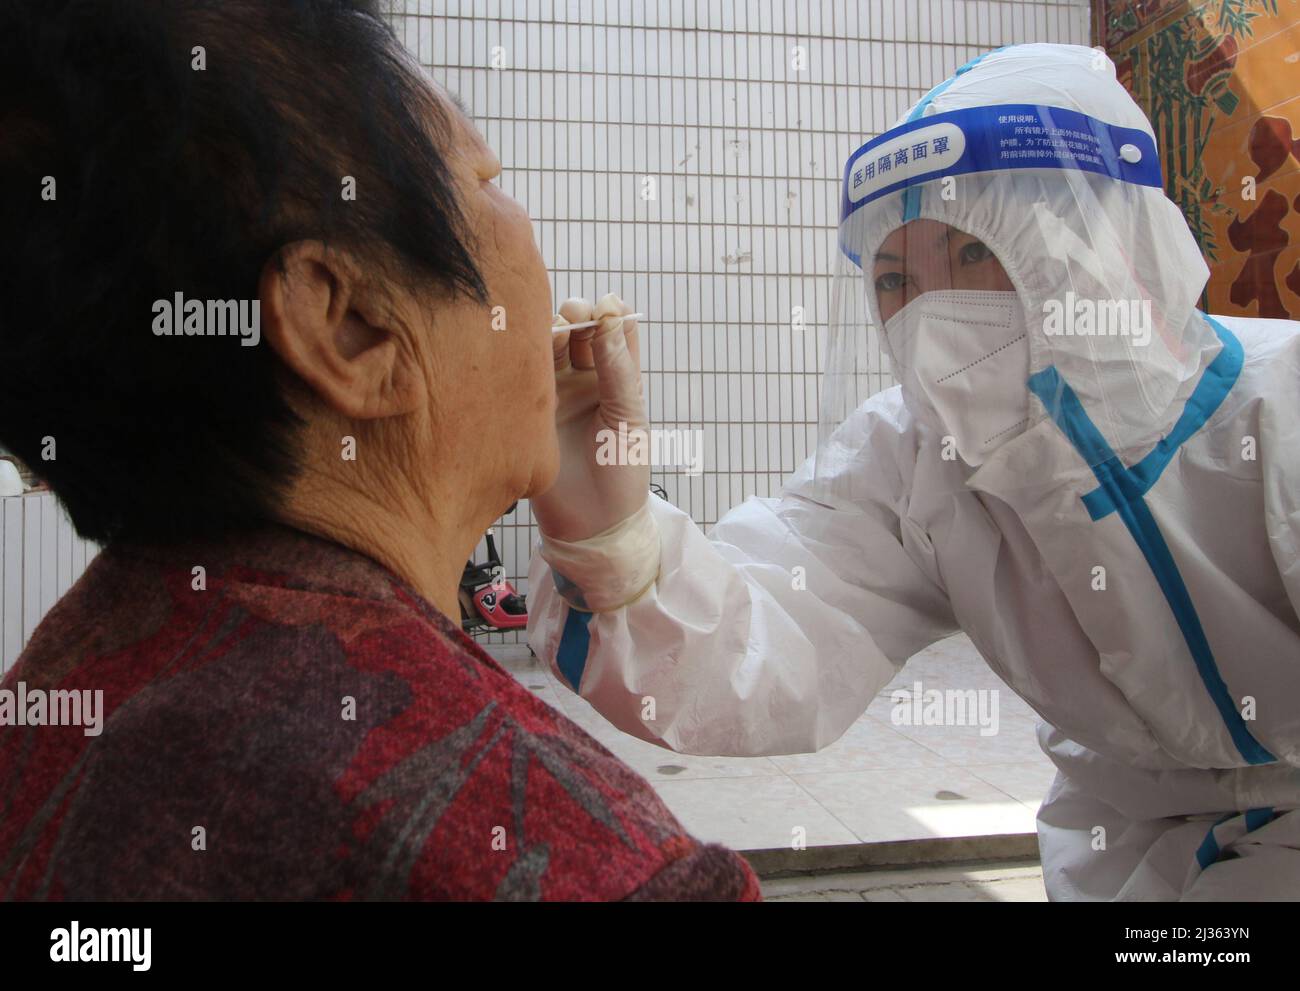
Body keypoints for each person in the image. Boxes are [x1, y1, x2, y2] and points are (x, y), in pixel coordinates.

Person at [0, 0, 759, 902]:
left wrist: (608, 539)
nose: (526, 227)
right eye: (484, 180)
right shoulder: (599, 870)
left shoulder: (49, 701)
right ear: (351, 326)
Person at [528, 44, 1300, 901]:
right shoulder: (914, 458)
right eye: (896, 278)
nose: (930, 318)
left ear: (1102, 252)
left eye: (970, 255)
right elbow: (772, 628)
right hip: (1116, 840)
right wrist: (616, 545)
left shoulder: (1280, 413)